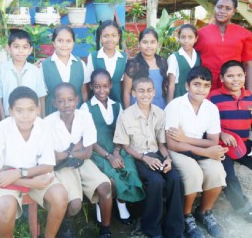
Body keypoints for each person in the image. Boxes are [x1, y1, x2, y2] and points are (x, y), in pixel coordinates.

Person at [0, 86, 67, 238]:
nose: (25, 116)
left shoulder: (44, 127)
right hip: (4, 177)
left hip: (32, 175)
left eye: (30, 109)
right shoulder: (1, 129)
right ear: (11, 110)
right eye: (19, 110)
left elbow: (48, 165)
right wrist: (27, 182)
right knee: (7, 206)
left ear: (37, 109)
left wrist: (20, 173)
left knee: (60, 196)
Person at [114, 77, 184, 238]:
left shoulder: (160, 113)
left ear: (154, 91)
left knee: (174, 178)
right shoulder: (126, 115)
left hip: (156, 155)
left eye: (149, 90)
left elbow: (161, 145)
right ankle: (152, 227)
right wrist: (145, 159)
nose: (146, 94)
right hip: (137, 157)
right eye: (141, 90)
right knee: (156, 181)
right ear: (133, 93)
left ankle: (175, 229)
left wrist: (167, 159)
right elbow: (125, 146)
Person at [208, 60, 252, 229]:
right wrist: (222, 133)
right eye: (230, 76)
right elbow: (204, 123)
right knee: (229, 177)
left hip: (244, 145)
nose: (235, 79)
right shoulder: (212, 97)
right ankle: (243, 208)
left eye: (239, 75)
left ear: (245, 76)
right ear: (222, 78)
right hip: (220, 145)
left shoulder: (251, 97)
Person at [165, 66, 228, 238]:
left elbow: (213, 141)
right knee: (193, 174)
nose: (201, 89)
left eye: (206, 85)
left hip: (193, 146)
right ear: (187, 86)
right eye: (196, 84)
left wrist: (186, 138)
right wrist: (204, 151)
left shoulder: (211, 108)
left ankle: (204, 211)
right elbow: (172, 144)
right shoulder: (175, 106)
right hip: (179, 150)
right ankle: (186, 216)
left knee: (217, 172)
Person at [44, 83, 113, 238]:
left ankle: (105, 228)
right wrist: (75, 149)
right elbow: (53, 157)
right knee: (74, 205)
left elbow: (88, 152)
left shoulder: (84, 116)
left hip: (82, 161)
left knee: (105, 187)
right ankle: (63, 220)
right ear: (54, 103)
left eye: (70, 99)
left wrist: (66, 153)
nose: (66, 104)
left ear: (77, 100)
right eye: (61, 101)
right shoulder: (47, 123)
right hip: (62, 167)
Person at [80, 69, 145, 225]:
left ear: (111, 86)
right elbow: (89, 140)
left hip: (117, 148)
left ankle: (121, 203)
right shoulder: (86, 108)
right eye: (97, 87)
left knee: (129, 170)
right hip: (98, 151)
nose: (102, 91)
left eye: (105, 86)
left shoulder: (117, 105)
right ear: (91, 87)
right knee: (112, 176)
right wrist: (109, 157)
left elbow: (121, 132)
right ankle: (99, 204)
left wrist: (116, 152)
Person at [194, 0, 252, 91]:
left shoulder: (245, 34)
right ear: (214, 7)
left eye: (228, 8)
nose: (222, 11)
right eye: (219, 7)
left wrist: (249, 94)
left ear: (234, 11)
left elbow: (247, 65)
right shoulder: (200, 33)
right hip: (206, 87)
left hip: (233, 88)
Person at [40, 25, 90, 117]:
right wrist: (42, 120)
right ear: (53, 43)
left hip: (76, 115)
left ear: (73, 43)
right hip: (52, 115)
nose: (64, 45)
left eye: (68, 41)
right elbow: (42, 97)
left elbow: (84, 92)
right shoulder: (44, 66)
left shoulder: (80, 64)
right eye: (60, 41)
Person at [0, 29, 46, 119]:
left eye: (25, 47)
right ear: (8, 48)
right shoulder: (2, 70)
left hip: (31, 118)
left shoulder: (35, 71)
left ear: (30, 50)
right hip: (9, 117)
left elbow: (41, 97)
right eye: (16, 47)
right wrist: (3, 120)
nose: (20, 51)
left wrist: (42, 119)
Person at [123, 28, 168, 110]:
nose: (149, 46)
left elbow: (165, 88)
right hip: (138, 109)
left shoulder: (163, 62)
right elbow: (126, 92)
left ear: (157, 44)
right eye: (145, 42)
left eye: (152, 42)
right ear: (139, 44)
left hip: (159, 109)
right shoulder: (133, 64)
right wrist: (127, 114)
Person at [86, 20, 127, 103]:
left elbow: (124, 86)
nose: (110, 39)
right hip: (97, 104)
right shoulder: (93, 57)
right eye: (105, 36)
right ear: (100, 37)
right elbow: (88, 83)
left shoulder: (124, 58)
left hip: (117, 103)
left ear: (119, 37)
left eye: (113, 35)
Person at [167, 24, 201, 103]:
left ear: (196, 39)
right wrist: (169, 105)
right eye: (183, 37)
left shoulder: (199, 56)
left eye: (190, 37)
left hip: (195, 100)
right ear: (178, 38)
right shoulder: (174, 58)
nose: (186, 41)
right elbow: (171, 85)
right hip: (179, 99)